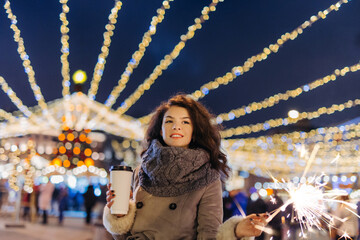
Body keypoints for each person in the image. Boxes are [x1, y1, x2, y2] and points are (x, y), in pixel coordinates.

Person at [103, 94, 267, 240]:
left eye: (185, 122)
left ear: (194, 131)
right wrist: (119, 215)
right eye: (169, 121)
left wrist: (236, 231)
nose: (176, 127)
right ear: (161, 130)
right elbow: (123, 236)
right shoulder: (142, 170)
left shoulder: (207, 177)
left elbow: (209, 235)